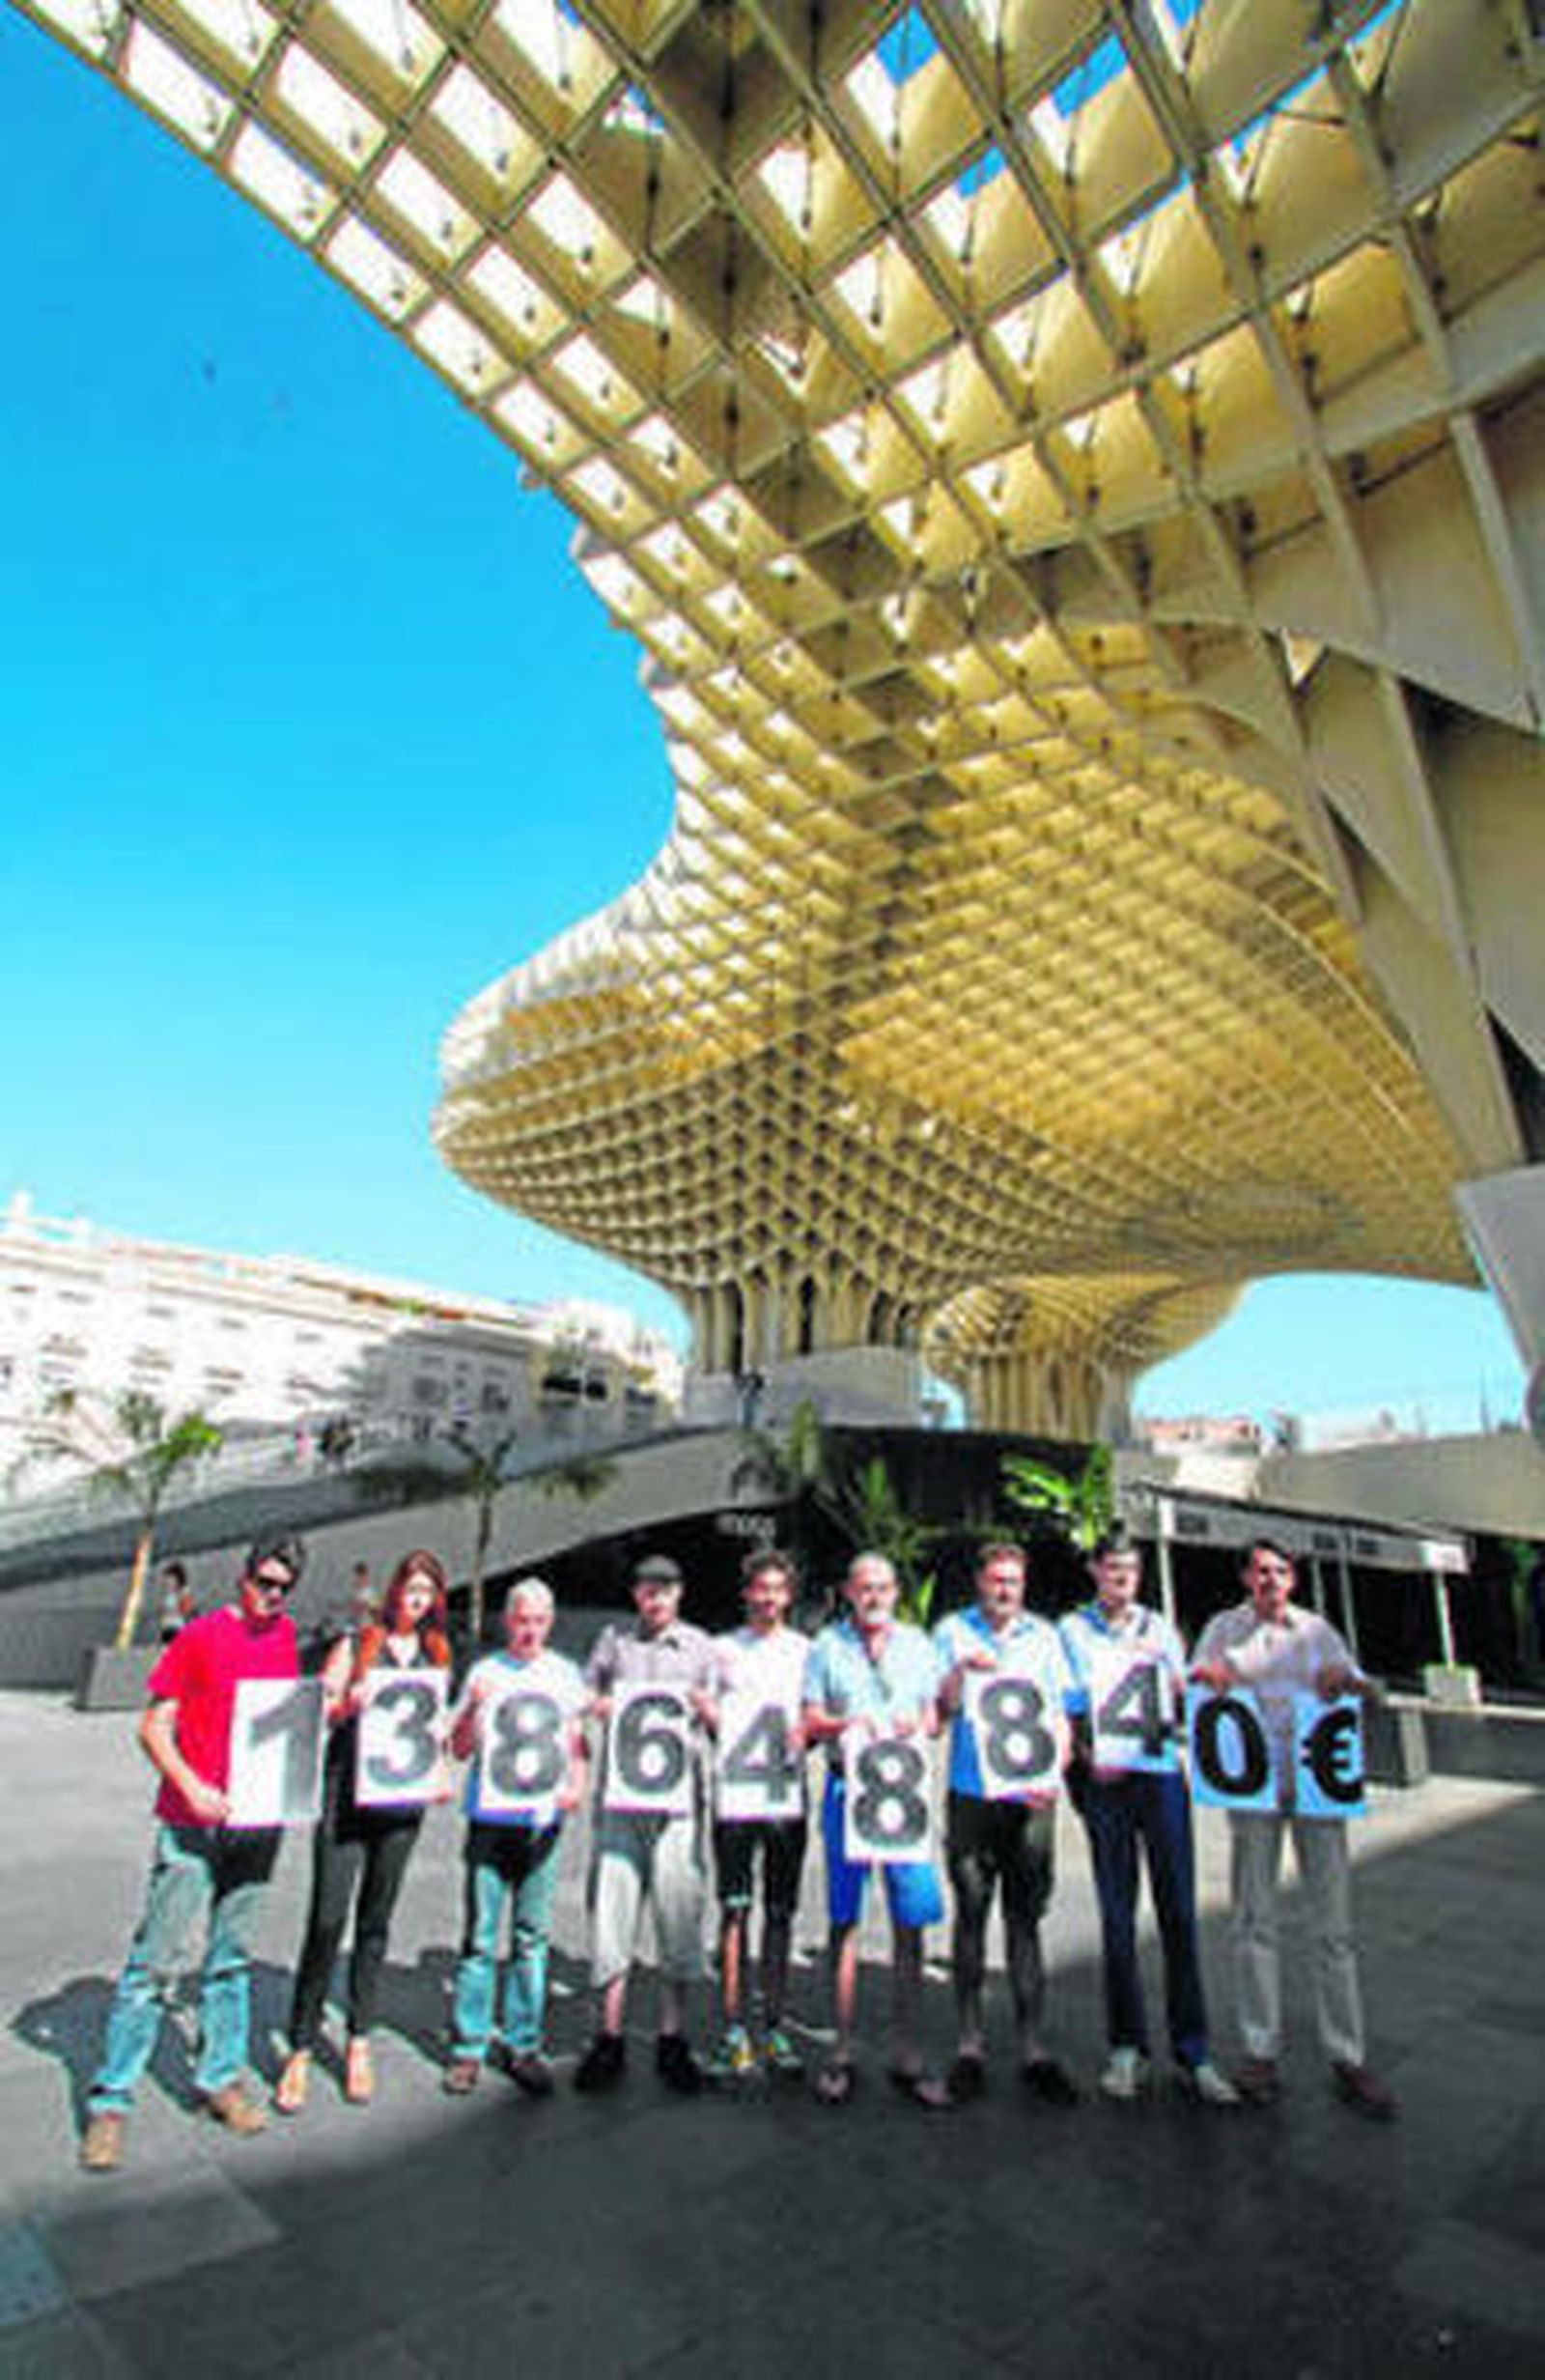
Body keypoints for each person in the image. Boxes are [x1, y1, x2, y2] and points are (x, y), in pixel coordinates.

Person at [79, 1534, 307, 2173]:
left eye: (283, 1587)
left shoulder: (285, 1639)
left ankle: (219, 2080)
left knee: (230, 1960)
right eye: (264, 1582)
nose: (271, 1596)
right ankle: (111, 2101)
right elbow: (152, 1727)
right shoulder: (202, 1636)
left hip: (255, 1825)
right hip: (191, 1824)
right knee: (153, 1964)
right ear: (244, 1576)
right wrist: (193, 1788)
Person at [1192, 1539, 1396, 2119]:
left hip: (1314, 1793)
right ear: (1244, 1578)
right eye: (1260, 1571)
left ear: (1294, 1579)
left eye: (1280, 1571)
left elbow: (1367, 1689)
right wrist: (1210, 1678)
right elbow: (1194, 1684)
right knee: (1254, 1920)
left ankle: (1348, 2053)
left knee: (1333, 1926)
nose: (1270, 1580)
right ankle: (1261, 2047)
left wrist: (1349, 1682)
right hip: (1254, 1790)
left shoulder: (1318, 1632)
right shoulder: (1222, 1629)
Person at [1059, 1532, 1238, 2107]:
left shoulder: (1160, 1627)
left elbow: (1181, 1694)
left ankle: (1195, 2050)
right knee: (1116, 1915)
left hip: (1159, 1775)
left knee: (1179, 1911)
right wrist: (1089, 1761)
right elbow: (1069, 1707)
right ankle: (1127, 2046)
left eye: (1131, 1569)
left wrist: (1192, 1677)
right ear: (1092, 1571)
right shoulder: (1072, 1631)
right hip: (1108, 1780)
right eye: (1112, 1568)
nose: (1122, 1578)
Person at [273, 1550, 452, 2114]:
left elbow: (437, 1727)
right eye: (410, 1588)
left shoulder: (438, 1653)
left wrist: (441, 1768)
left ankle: (357, 2038)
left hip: (400, 1804)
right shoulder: (359, 1642)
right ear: (395, 1589)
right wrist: (349, 1701)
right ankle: (300, 2045)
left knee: (375, 1922)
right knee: (327, 1920)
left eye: (427, 1592)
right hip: (346, 1795)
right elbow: (323, 1709)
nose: (416, 1599)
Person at [934, 1542, 1079, 2107]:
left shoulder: (1044, 1637)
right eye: (996, 1580)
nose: (1004, 1590)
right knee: (970, 1910)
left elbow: (1063, 1715)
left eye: (1013, 1581)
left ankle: (1033, 2046)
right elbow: (940, 1709)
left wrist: (1058, 1767)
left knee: (1026, 1918)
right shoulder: (952, 1631)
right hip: (973, 1791)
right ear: (978, 1582)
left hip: (1030, 1796)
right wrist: (958, 1672)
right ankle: (969, 2043)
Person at [802, 1550, 948, 2109]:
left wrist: (923, 1722)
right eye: (864, 1587)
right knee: (844, 1920)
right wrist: (848, 1724)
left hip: (904, 1794)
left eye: (884, 1587)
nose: (875, 1596)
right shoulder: (826, 1646)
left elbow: (936, 1716)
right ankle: (841, 2049)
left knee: (910, 1922)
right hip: (849, 1787)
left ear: (896, 1592)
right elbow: (811, 1719)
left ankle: (907, 2050)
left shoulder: (918, 1644)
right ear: (847, 1591)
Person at [574, 1552, 718, 2095]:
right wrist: (602, 1704)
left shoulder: (703, 1648)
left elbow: (730, 1721)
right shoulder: (615, 1642)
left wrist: (708, 1711)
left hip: (679, 1801)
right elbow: (584, 1697)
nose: (655, 1597)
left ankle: (671, 2034)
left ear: (679, 1593)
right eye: (646, 1588)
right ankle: (608, 2035)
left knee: (677, 1912)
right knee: (611, 1911)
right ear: (635, 1594)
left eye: (665, 1587)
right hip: (622, 1799)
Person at [442, 1577, 589, 2097]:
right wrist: (468, 1711)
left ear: (549, 1623)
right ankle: (468, 2046)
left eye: (538, 1621)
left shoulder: (565, 1674)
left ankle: (524, 2042)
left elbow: (575, 1742)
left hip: (540, 1822)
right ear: (508, 1620)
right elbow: (458, 1748)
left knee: (532, 1935)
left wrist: (576, 1785)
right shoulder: (485, 1671)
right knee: (480, 1937)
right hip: (489, 1818)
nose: (529, 1630)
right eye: (521, 1620)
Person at [705, 1549, 810, 2082]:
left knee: (781, 1911)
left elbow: (814, 1716)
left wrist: (807, 1731)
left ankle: (773, 2022)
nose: (768, 1598)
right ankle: (732, 2026)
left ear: (788, 1596)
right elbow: (709, 1718)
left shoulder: (805, 1651)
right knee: (734, 1909)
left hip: (787, 1795)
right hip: (737, 1797)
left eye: (778, 1589)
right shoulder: (721, 1650)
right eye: (760, 1589)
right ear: (746, 1593)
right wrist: (709, 1714)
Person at [156, 1559, 196, 1646]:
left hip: (177, 1628)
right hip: (167, 1627)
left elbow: (187, 1610)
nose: (166, 1581)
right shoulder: (168, 1594)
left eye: (169, 1578)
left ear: (176, 1578)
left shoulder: (183, 1592)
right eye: (166, 1579)